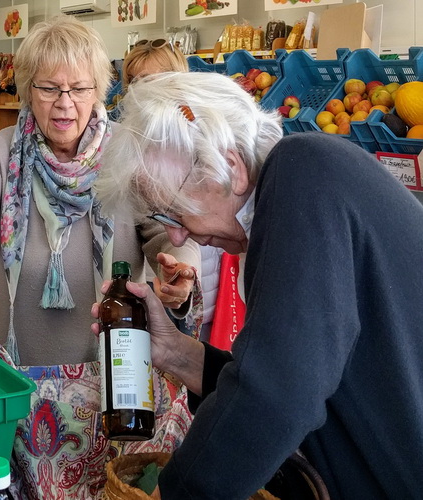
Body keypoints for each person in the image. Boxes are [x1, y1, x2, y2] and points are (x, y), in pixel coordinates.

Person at [94, 71, 423, 498]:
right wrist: (173, 351)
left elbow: (276, 396)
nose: (177, 236)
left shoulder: (302, 171)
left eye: (175, 214)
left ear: (230, 168)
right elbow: (288, 378)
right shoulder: (291, 194)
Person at [0, 16, 182, 367]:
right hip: (12, 377)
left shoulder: (128, 152)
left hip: (112, 376)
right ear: (28, 89)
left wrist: (180, 267)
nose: (65, 102)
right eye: (49, 88)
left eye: (79, 88)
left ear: (98, 90)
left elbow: (166, 228)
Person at [123, 40, 241, 344]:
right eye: (136, 83)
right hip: (172, 294)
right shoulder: (131, 154)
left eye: (157, 81)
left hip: (216, 292)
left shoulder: (209, 136)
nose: (145, 93)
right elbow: (156, 231)